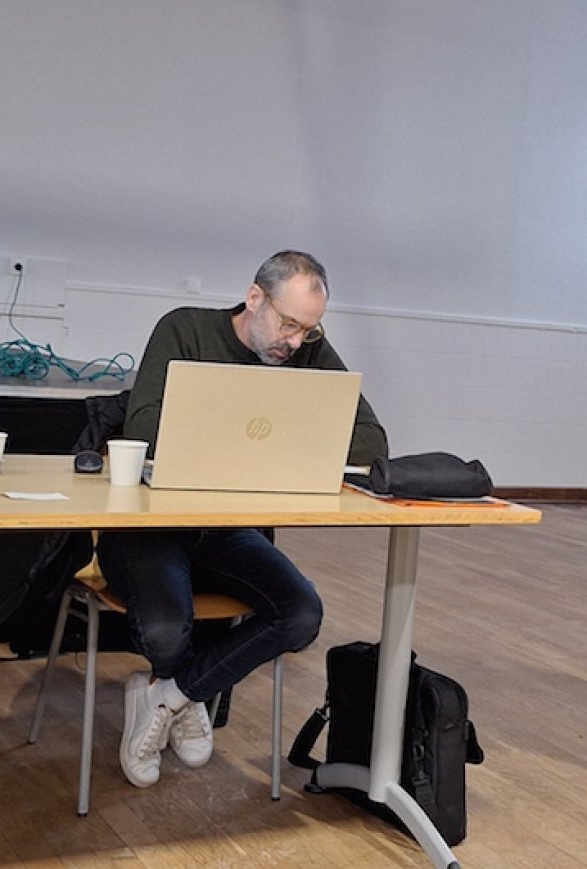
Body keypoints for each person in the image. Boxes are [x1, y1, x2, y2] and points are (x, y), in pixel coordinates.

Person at [98, 249, 388, 788]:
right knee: (165, 632)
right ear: (255, 298)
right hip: (149, 527)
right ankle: (184, 691)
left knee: (301, 613)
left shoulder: (308, 350)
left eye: (308, 329)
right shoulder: (185, 329)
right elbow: (145, 428)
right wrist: (285, 443)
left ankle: (170, 695)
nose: (295, 342)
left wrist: (256, 443)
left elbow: (371, 442)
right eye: (288, 324)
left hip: (227, 532)